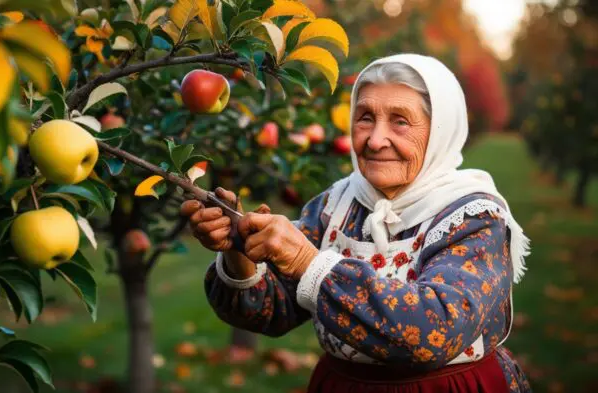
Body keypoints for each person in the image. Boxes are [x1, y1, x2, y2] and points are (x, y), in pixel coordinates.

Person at [180, 54, 532, 392]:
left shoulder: (474, 218)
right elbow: (272, 312)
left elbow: (432, 334)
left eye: (400, 121)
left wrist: (308, 263)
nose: (376, 140)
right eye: (365, 117)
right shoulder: (337, 205)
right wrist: (237, 250)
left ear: (440, 130)